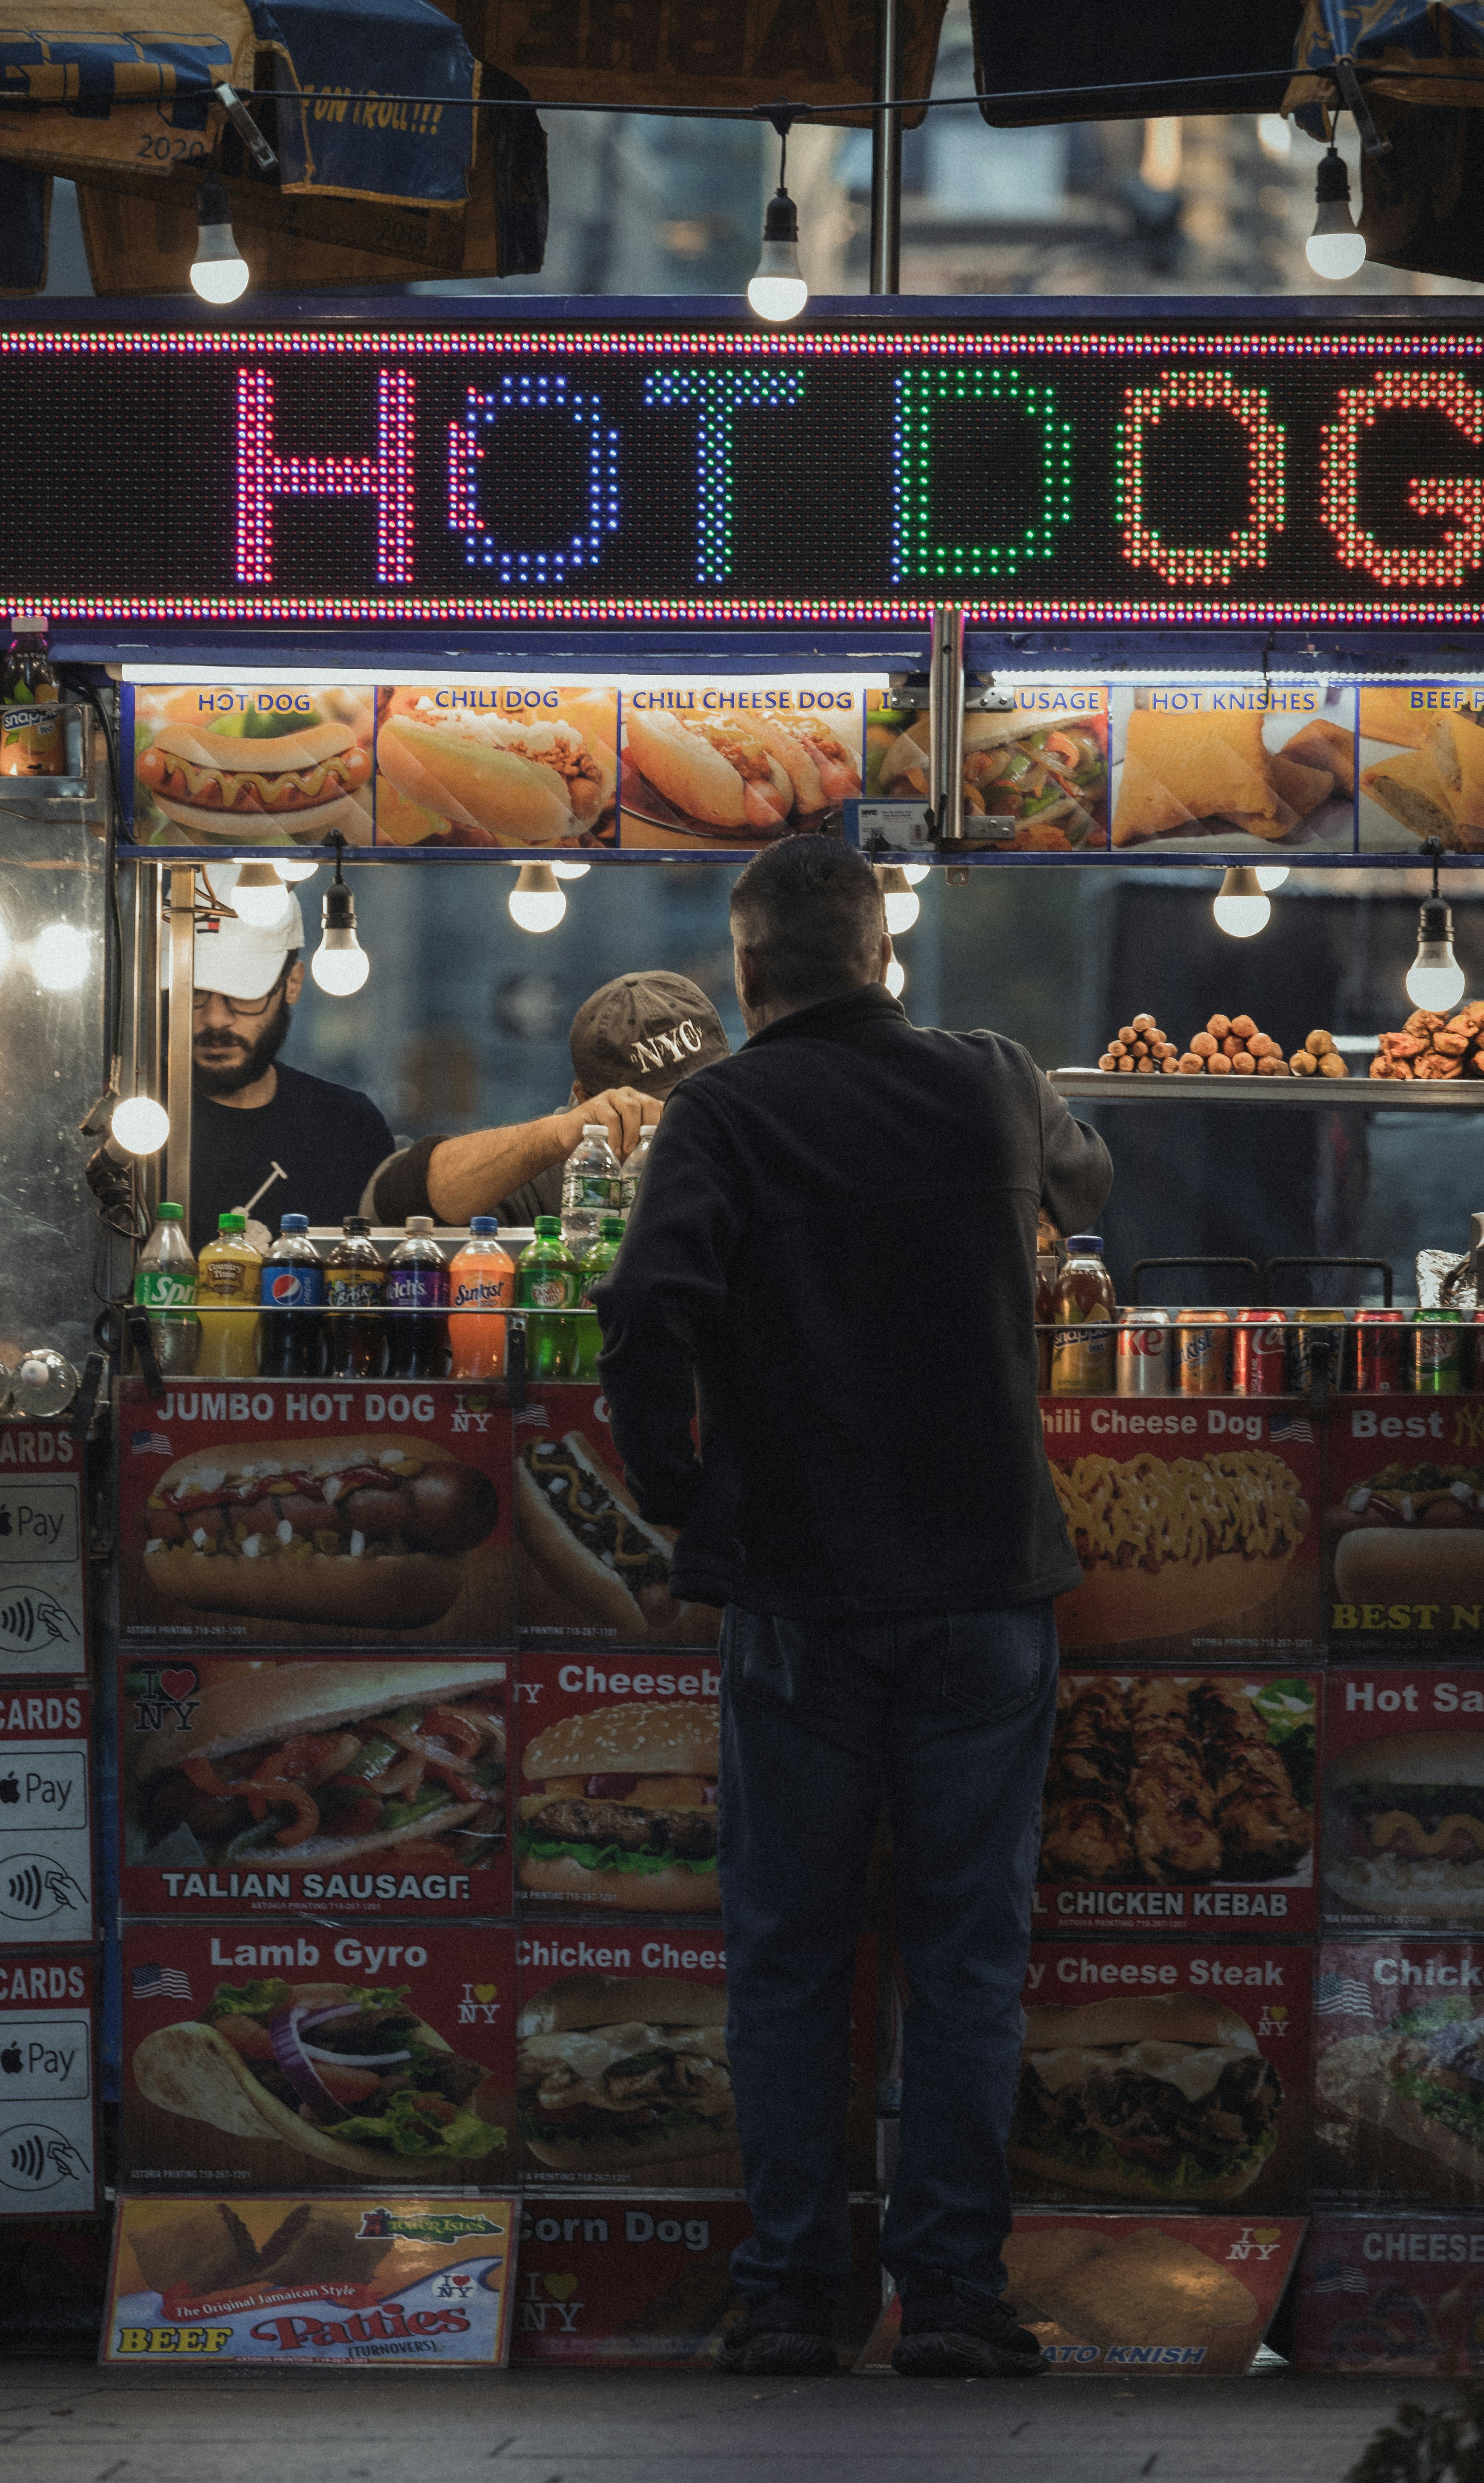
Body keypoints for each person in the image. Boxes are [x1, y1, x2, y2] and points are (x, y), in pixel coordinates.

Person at [595, 838, 1112, 2384]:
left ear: (746, 975)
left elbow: (644, 1318)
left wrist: (685, 1511)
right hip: (983, 1590)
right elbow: (1089, 1179)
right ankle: (950, 2301)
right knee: (966, 1956)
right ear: (885, 956)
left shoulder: (721, 1109)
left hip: (802, 1599)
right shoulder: (992, 1078)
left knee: (792, 1957)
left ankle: (783, 2300)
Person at [364, 970, 729, 1225]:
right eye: (640, 1111)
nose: (679, 1123)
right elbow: (387, 1205)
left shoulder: (747, 1139)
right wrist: (556, 1136)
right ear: (584, 1101)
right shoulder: (558, 1171)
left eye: (700, 1098)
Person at [189, 890, 394, 1250]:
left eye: (244, 992)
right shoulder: (135, 1124)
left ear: (293, 984)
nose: (216, 1019)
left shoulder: (349, 1128)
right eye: (193, 992)